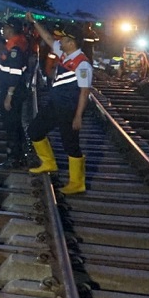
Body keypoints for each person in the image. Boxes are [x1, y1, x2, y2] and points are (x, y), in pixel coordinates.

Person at [24, 19, 93, 195]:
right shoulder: (64, 55)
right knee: (34, 130)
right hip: (55, 105)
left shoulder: (82, 64)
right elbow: (47, 38)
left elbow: (85, 92)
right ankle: (49, 163)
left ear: (71, 42)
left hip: (69, 109)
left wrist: (78, 116)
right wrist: (34, 22)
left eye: (62, 39)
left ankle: (77, 183)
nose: (59, 41)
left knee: (70, 144)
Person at [0, 4, 30, 168]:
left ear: (11, 30)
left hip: (12, 91)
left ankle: (13, 158)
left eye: (6, 27)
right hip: (15, 90)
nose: (2, 30)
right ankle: (21, 153)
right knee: (14, 123)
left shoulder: (15, 49)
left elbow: (15, 73)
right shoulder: (16, 40)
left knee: (11, 124)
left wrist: (9, 95)